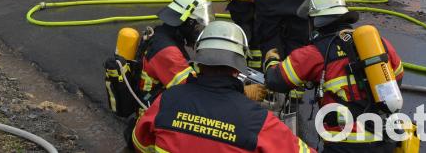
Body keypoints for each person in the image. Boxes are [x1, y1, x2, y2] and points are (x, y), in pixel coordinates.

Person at [133, 21, 316, 153]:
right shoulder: (258, 121)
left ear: (199, 63)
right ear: (238, 70)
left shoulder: (166, 101)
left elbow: (139, 142)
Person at [264, 0, 404, 152]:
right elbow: (398, 76)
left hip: (345, 143)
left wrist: (271, 60)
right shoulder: (379, 44)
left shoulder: (315, 53)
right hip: (384, 139)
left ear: (315, 20)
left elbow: (276, 80)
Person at [122, 0, 213, 147]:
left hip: (156, 108)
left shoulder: (163, 35)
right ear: (187, 23)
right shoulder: (167, 51)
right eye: (197, 24)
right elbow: (191, 90)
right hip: (153, 123)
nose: (199, 30)